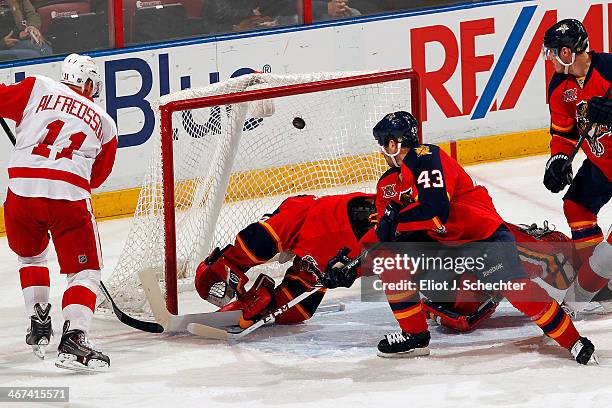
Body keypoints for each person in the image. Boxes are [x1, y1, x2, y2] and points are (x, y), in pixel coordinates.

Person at [360, 111, 596, 364]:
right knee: (388, 259)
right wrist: (360, 258)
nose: (383, 151)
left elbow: (436, 211)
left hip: (484, 238)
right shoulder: (391, 182)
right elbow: (385, 234)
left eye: (383, 144)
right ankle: (415, 337)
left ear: (393, 144)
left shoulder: (426, 158)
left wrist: (396, 218)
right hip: (446, 248)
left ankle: (573, 340)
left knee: (516, 288)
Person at [0, 54, 117, 372]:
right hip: (68, 197)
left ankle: (38, 323)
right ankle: (75, 339)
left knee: (32, 258)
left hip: (20, 193)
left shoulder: (37, 87)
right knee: (85, 272)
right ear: (89, 83)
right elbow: (95, 178)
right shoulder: (105, 123)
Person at [194, 192, 376, 327]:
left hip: (334, 254)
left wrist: (349, 274)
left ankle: (259, 301)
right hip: (311, 217)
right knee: (257, 244)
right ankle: (227, 263)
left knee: (296, 312)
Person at [541, 19, 612, 317]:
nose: (549, 58)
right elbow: (563, 133)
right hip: (602, 164)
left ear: (569, 53)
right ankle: (603, 290)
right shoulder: (559, 86)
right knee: (576, 206)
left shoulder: (609, 68)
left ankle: (586, 289)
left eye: (554, 52)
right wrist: (558, 160)